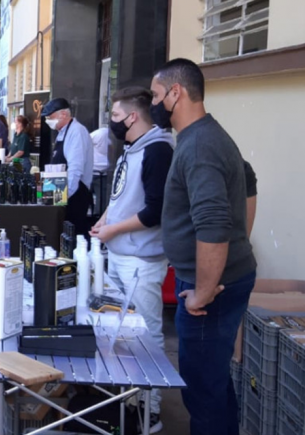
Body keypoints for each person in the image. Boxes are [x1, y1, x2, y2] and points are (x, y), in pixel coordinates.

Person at [150, 58, 257, 435]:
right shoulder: (203, 137)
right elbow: (247, 181)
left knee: (203, 392)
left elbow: (213, 224)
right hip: (212, 281)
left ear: (175, 93)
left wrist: (204, 292)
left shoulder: (199, 144)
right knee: (211, 383)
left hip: (209, 291)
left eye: (156, 95)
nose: (153, 103)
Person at [90, 87, 174, 433]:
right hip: (121, 252)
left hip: (142, 259)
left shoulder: (158, 150)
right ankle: (130, 396)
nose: (111, 122)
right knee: (123, 332)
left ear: (133, 116)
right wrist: (106, 219)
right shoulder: (131, 149)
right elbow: (122, 193)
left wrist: (113, 231)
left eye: (114, 116)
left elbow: (154, 211)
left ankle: (150, 409)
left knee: (149, 335)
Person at [42, 98, 94, 237]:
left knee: (72, 238)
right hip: (60, 193)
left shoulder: (77, 132)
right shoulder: (62, 132)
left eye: (50, 117)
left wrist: (61, 199)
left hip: (74, 197)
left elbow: (75, 171)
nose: (48, 121)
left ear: (63, 114)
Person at [90, 127, 110, 216]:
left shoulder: (97, 134)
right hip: (104, 170)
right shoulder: (110, 135)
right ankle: (98, 214)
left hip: (93, 169)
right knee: (101, 197)